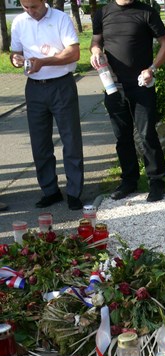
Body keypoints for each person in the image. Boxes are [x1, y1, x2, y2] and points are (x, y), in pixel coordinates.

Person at [90, 0, 165, 202]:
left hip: (142, 83)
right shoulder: (103, 13)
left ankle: (156, 181)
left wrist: (152, 69)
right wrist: (96, 51)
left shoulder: (146, 12)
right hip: (113, 84)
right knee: (122, 136)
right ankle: (129, 181)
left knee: (147, 134)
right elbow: (96, 41)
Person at [10, 0, 85, 210]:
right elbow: (15, 53)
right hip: (34, 87)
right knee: (39, 142)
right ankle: (50, 191)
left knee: (70, 139)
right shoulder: (19, 22)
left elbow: (74, 53)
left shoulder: (61, 18)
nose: (30, 11)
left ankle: (74, 192)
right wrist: (16, 59)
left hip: (61, 84)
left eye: (33, 6)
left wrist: (44, 61)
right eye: (25, 7)